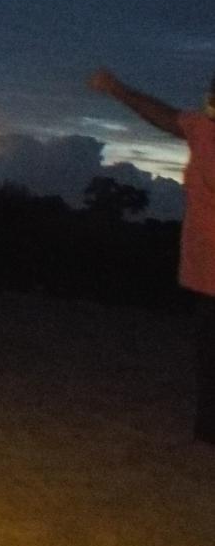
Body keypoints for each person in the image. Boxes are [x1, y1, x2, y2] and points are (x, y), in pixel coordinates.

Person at [91, 67, 215, 443]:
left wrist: (116, 89)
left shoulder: (204, 130)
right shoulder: (203, 130)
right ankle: (207, 429)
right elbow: (163, 114)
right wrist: (117, 89)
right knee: (208, 354)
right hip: (207, 272)